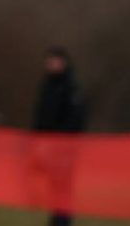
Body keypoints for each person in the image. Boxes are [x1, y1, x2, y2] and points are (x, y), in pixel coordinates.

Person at [32, 46, 86, 226]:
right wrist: (37, 139)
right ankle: (56, 218)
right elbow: (40, 115)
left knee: (63, 186)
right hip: (47, 146)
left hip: (65, 147)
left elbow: (76, 119)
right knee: (53, 186)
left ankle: (62, 220)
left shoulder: (71, 87)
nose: (51, 64)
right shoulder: (46, 86)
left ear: (63, 62)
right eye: (49, 60)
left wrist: (59, 140)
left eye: (55, 60)